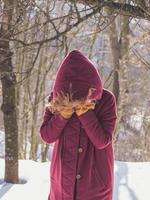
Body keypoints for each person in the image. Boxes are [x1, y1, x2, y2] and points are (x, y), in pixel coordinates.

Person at [39, 49, 117, 200]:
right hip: (62, 182)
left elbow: (102, 141)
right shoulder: (56, 97)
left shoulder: (106, 100)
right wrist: (62, 116)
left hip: (95, 184)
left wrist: (85, 114)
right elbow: (47, 136)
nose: (74, 97)